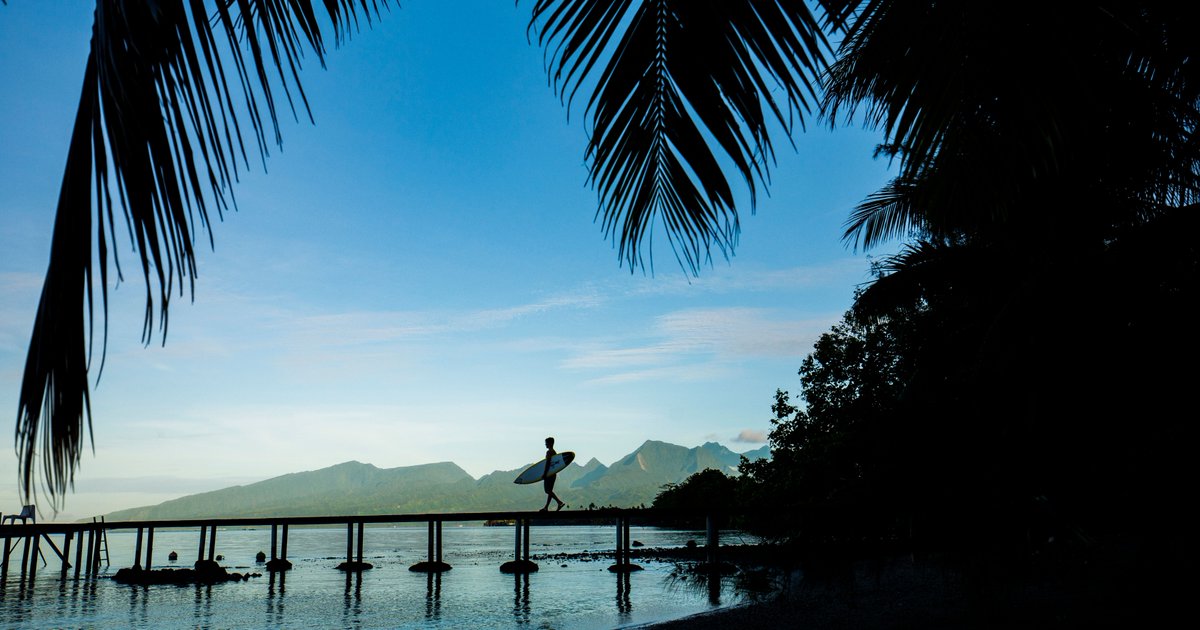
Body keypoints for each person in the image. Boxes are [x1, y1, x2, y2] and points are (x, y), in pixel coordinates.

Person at [540, 436, 566, 512]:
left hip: (549, 474)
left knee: (547, 491)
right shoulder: (554, 452)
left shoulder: (549, 452)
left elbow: (548, 464)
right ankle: (546, 507)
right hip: (553, 474)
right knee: (549, 491)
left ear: (550, 443)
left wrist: (545, 474)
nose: (545, 444)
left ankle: (559, 502)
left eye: (546, 443)